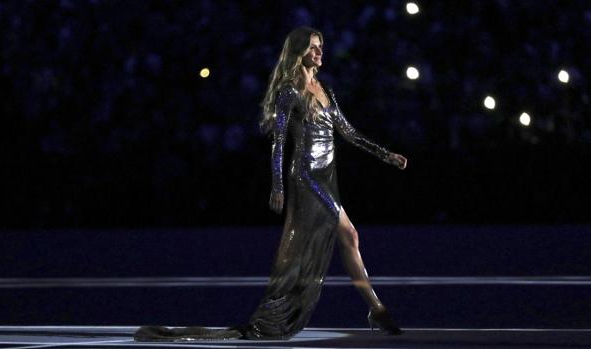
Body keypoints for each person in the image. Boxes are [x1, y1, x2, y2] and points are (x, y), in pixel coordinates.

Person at [134, 26, 407, 342]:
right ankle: (376, 308)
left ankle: (375, 309)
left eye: (321, 46)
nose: (319, 52)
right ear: (299, 51)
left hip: (328, 175)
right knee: (348, 235)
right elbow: (279, 141)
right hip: (306, 176)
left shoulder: (324, 89)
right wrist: (277, 185)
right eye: (313, 47)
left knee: (350, 239)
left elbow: (348, 132)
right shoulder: (290, 90)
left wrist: (386, 155)